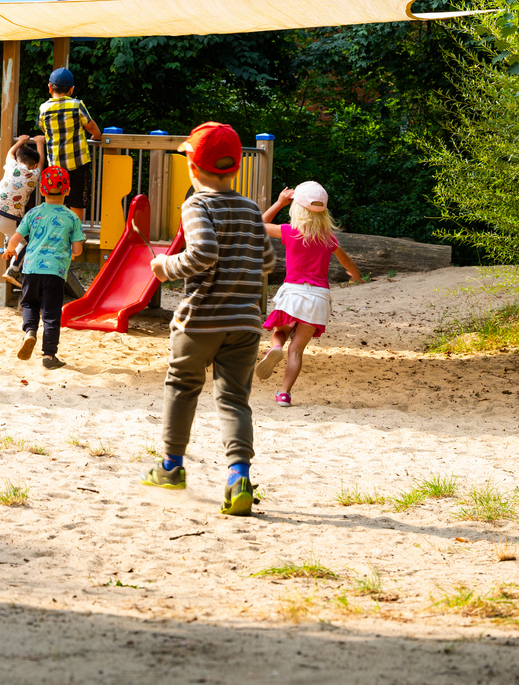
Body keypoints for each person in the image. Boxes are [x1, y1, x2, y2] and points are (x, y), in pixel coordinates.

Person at [139, 122, 277, 517]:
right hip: (245, 323)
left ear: (192, 167)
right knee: (234, 399)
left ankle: (171, 467)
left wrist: (165, 267)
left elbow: (203, 254)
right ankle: (239, 478)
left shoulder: (197, 205)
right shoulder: (250, 210)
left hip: (200, 320)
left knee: (182, 386)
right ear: (235, 168)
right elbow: (268, 261)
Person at [255, 182, 363, 406]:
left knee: (280, 332)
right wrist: (356, 276)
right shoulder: (329, 238)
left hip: (293, 294)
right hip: (318, 299)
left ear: (296, 208)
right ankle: (284, 394)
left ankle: (275, 348)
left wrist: (279, 203)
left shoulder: (290, 231)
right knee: (296, 351)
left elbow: (259, 225)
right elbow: (348, 262)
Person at [2, 165, 85, 370]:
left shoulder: (33, 213)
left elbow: (15, 238)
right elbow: (77, 250)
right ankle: (48, 356)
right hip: (54, 272)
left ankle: (30, 331)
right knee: (51, 313)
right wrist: (72, 250)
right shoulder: (72, 217)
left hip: (30, 269)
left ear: (41, 190)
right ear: (67, 190)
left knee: (30, 304)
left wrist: (10, 250)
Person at [37, 67, 102, 221]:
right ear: (72, 89)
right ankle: (75, 229)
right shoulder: (77, 105)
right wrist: (97, 136)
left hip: (56, 165)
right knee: (77, 199)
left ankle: (56, 228)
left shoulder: (44, 108)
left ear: (50, 88)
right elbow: (90, 125)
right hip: (78, 163)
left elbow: (43, 127)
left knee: (56, 198)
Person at [0, 134, 42, 287]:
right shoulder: (33, 175)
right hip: (10, 219)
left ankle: (8, 245)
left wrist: (20, 141)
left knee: (14, 227)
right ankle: (14, 268)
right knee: (30, 240)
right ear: (33, 166)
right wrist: (39, 143)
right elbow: (41, 163)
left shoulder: (11, 166)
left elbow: (10, 153)